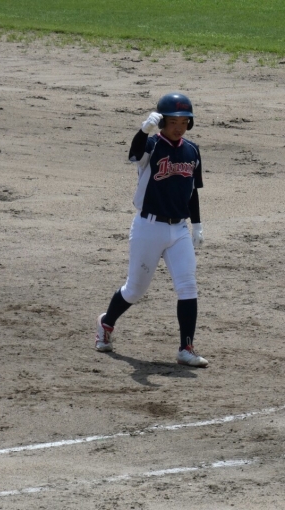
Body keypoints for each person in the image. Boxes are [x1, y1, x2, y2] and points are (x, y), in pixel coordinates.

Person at [94, 92, 208, 367]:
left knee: (188, 286)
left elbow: (192, 191)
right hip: (148, 227)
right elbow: (134, 153)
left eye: (184, 121)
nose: (179, 127)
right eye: (173, 121)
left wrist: (197, 225)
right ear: (162, 121)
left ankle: (186, 348)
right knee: (135, 290)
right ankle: (106, 323)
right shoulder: (152, 145)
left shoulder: (192, 150)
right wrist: (143, 131)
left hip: (179, 230)